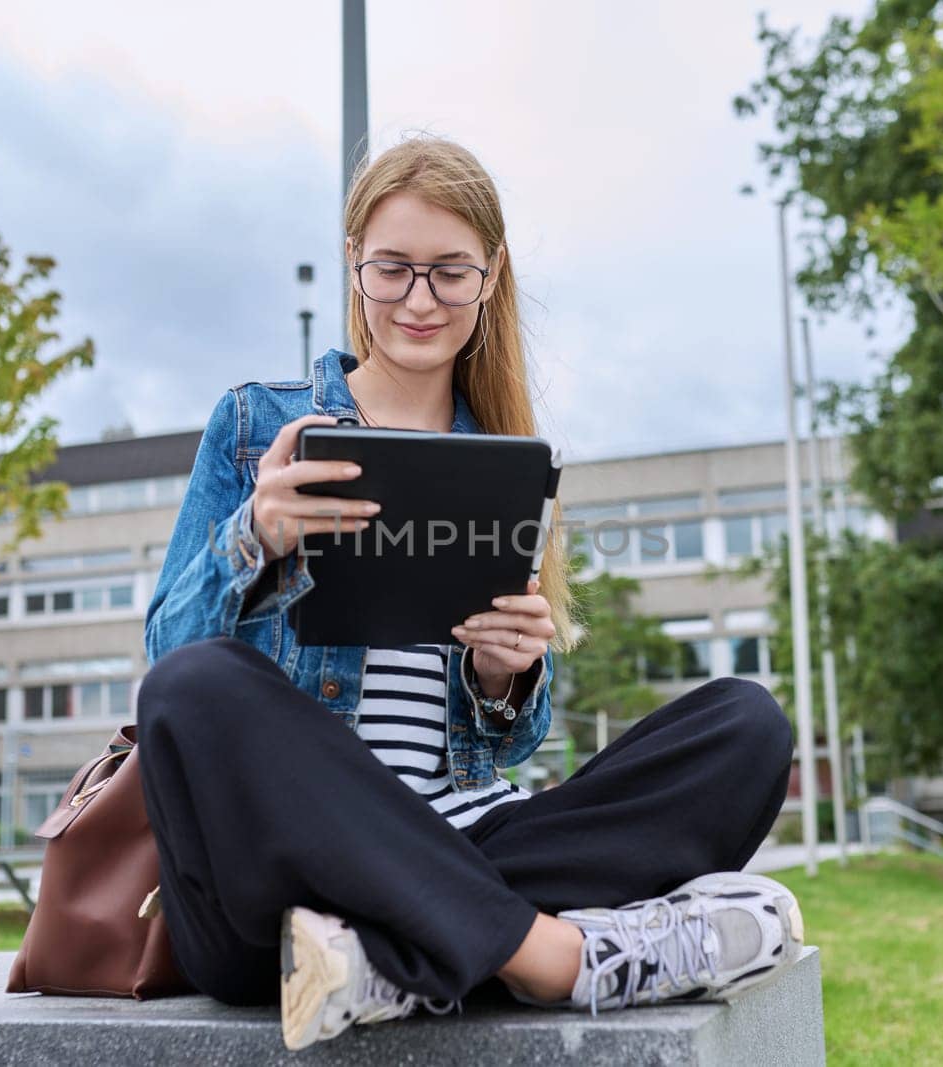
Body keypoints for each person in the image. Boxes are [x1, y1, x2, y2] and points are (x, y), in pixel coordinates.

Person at [136, 135, 801, 1053]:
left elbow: (513, 743)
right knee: (190, 687)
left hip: (466, 843)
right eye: (395, 269)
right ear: (354, 266)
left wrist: (504, 676)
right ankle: (553, 955)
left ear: (490, 278)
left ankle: (390, 960)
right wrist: (256, 535)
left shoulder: (505, 456)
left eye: (450, 272)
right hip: (279, 890)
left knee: (746, 724)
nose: (419, 299)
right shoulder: (259, 424)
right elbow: (167, 654)